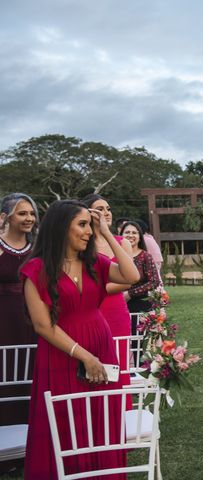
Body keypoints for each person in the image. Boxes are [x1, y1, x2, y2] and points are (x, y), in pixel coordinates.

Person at [20, 200, 139, 478]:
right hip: (63, 352)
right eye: (83, 224)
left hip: (101, 344)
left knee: (102, 415)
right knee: (67, 419)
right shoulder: (36, 270)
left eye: (90, 224)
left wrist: (107, 233)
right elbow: (43, 325)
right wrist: (84, 356)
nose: (89, 231)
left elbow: (132, 275)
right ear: (62, 227)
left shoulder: (94, 262)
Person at [0, 193, 38, 474]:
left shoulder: (36, 248)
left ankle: (27, 450)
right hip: (3, 321)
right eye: (22, 213)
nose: (29, 219)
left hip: (32, 320)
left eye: (31, 214)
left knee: (29, 379)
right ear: (6, 216)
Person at [82, 194, 133, 388]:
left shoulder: (122, 242)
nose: (106, 213)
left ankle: (121, 409)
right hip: (90, 311)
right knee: (93, 363)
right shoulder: (82, 243)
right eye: (100, 209)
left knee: (118, 363)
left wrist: (95, 290)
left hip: (116, 311)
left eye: (108, 209)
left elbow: (129, 280)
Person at [121, 221, 161, 323]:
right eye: (127, 232)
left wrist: (130, 294)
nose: (130, 235)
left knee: (137, 337)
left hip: (140, 306)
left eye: (134, 233)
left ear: (139, 237)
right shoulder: (116, 255)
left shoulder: (145, 256)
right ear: (121, 235)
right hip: (117, 304)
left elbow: (154, 282)